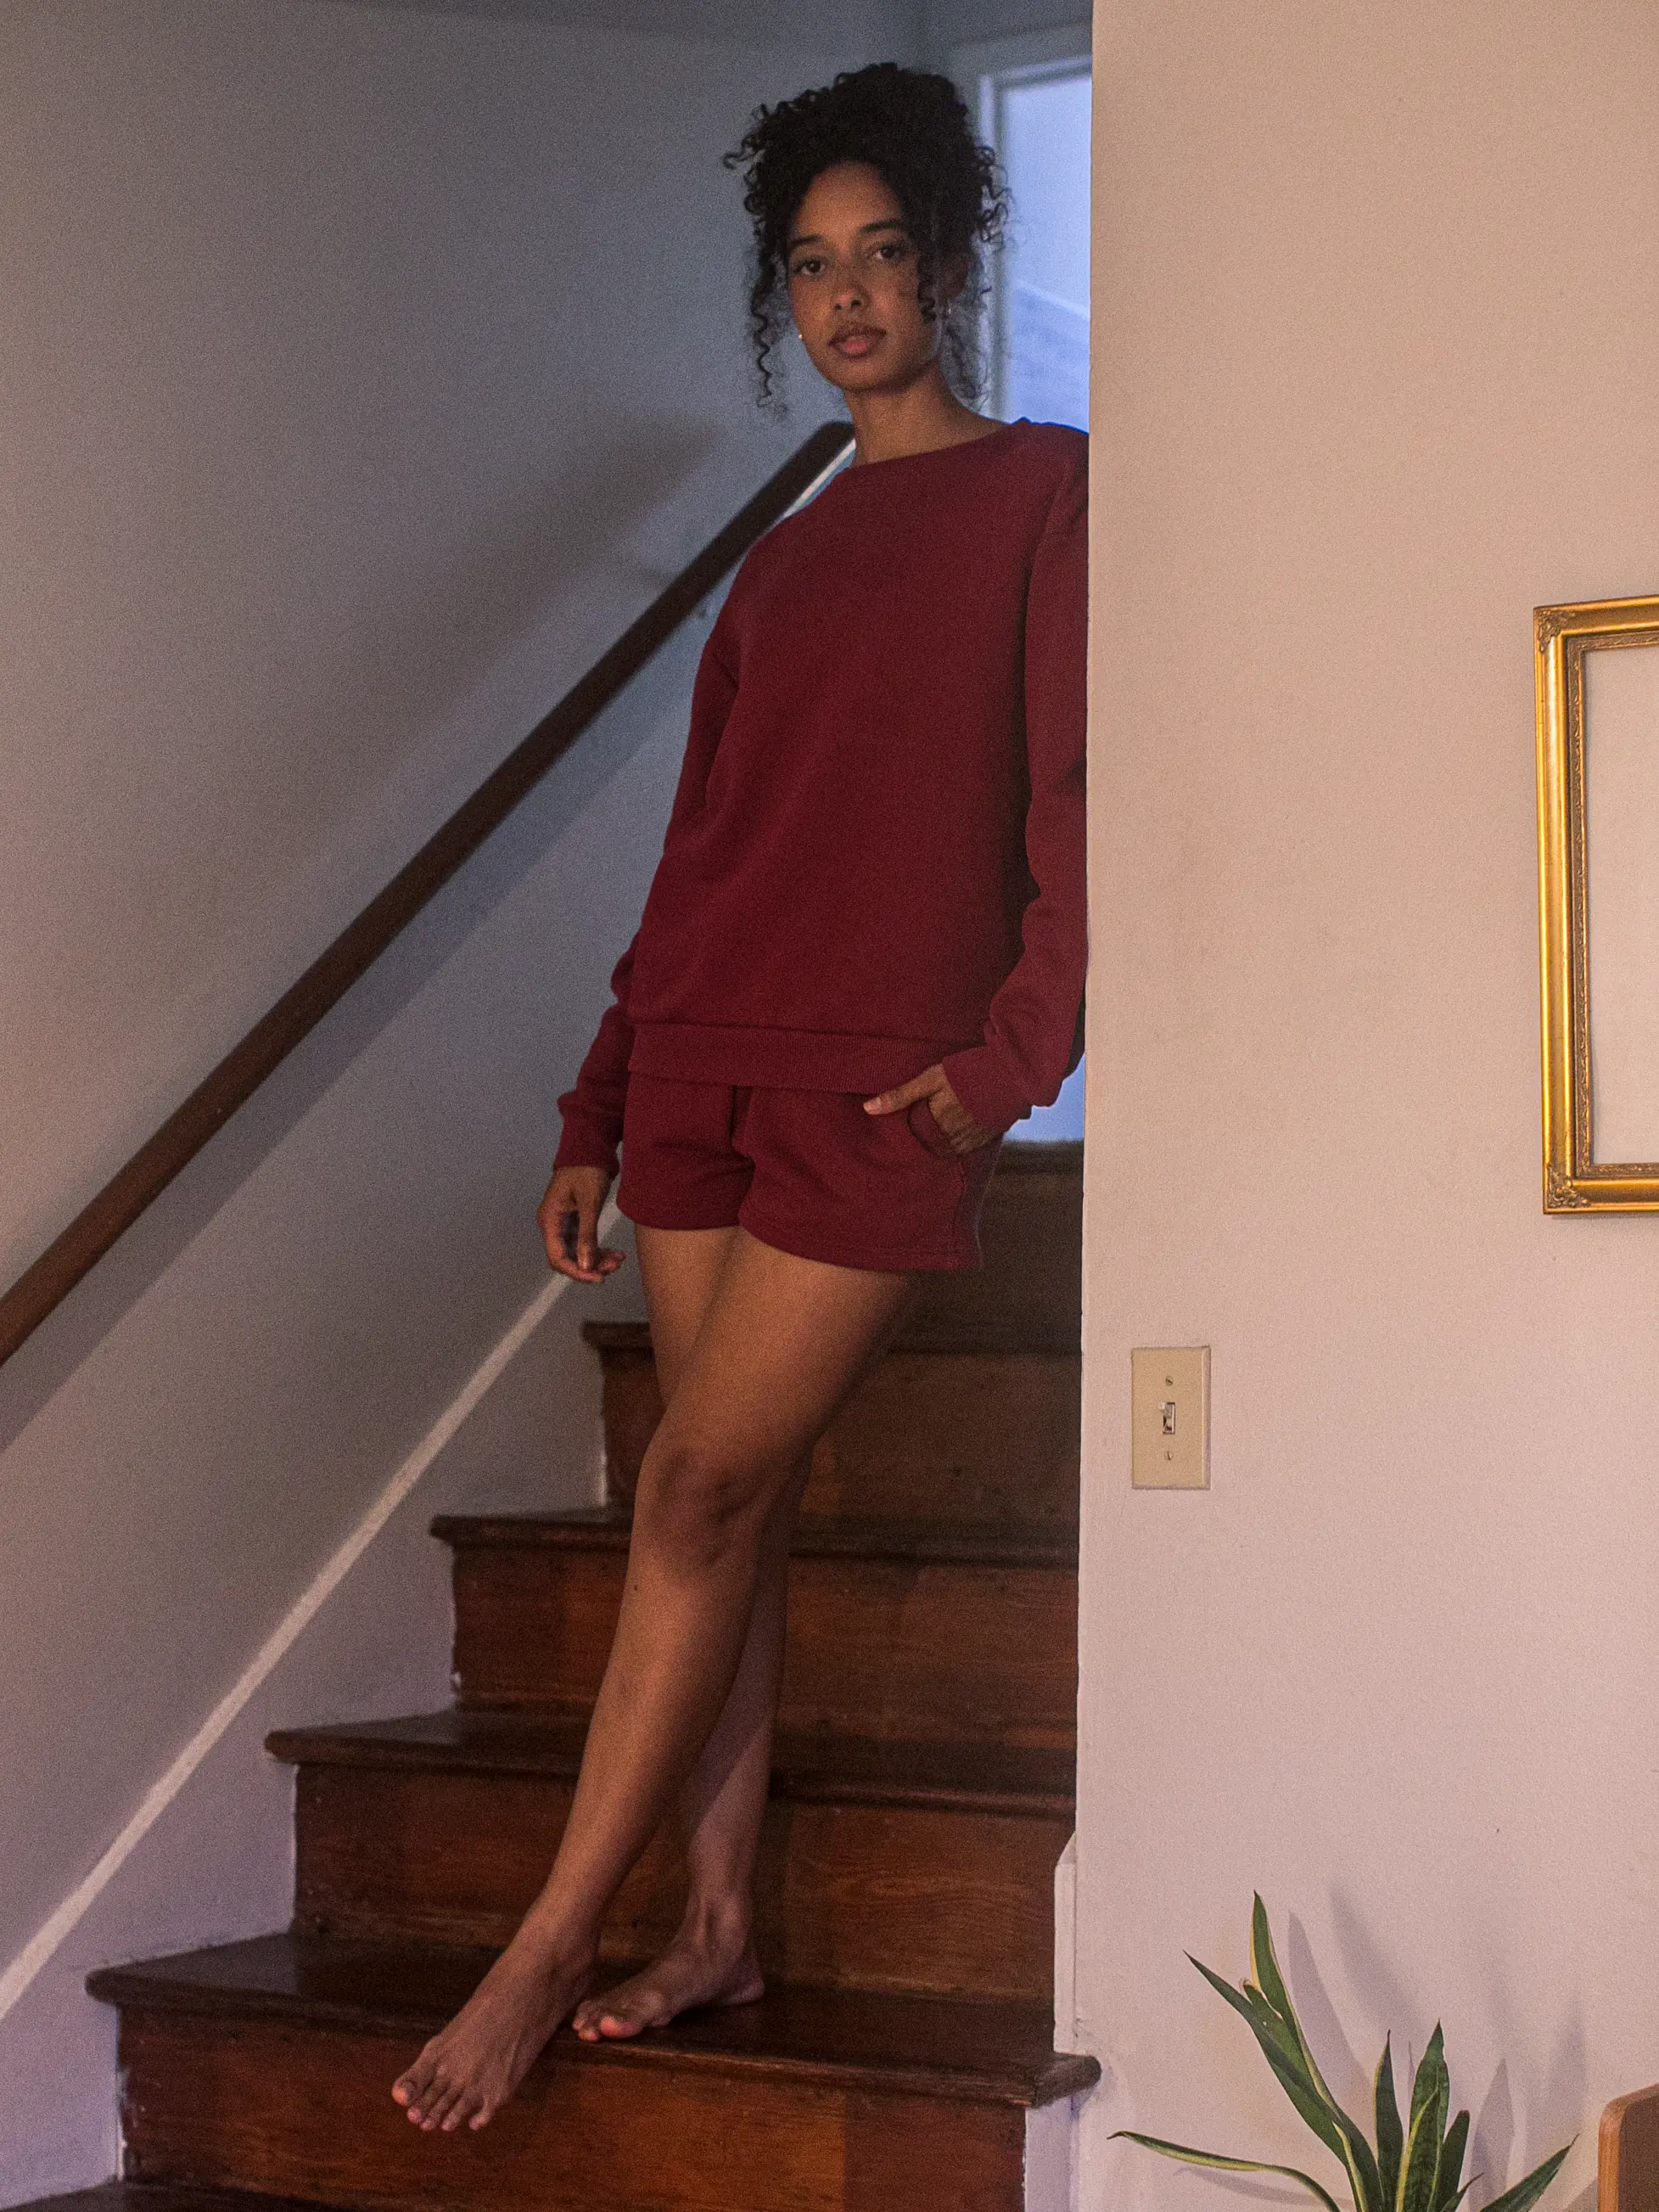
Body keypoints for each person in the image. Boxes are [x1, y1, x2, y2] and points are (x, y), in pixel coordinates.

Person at [391, 59, 1086, 2135]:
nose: (848, 298)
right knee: (723, 1500)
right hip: (694, 1062)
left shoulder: (1046, 489)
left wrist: (1005, 1067)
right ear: (779, 298)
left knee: (690, 1494)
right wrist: (594, 1099)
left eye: (884, 256)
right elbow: (698, 847)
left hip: (877, 1101)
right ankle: (710, 1919)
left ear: (949, 270)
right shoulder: (779, 560)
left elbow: (1074, 804)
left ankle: (538, 1944)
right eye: (810, 267)